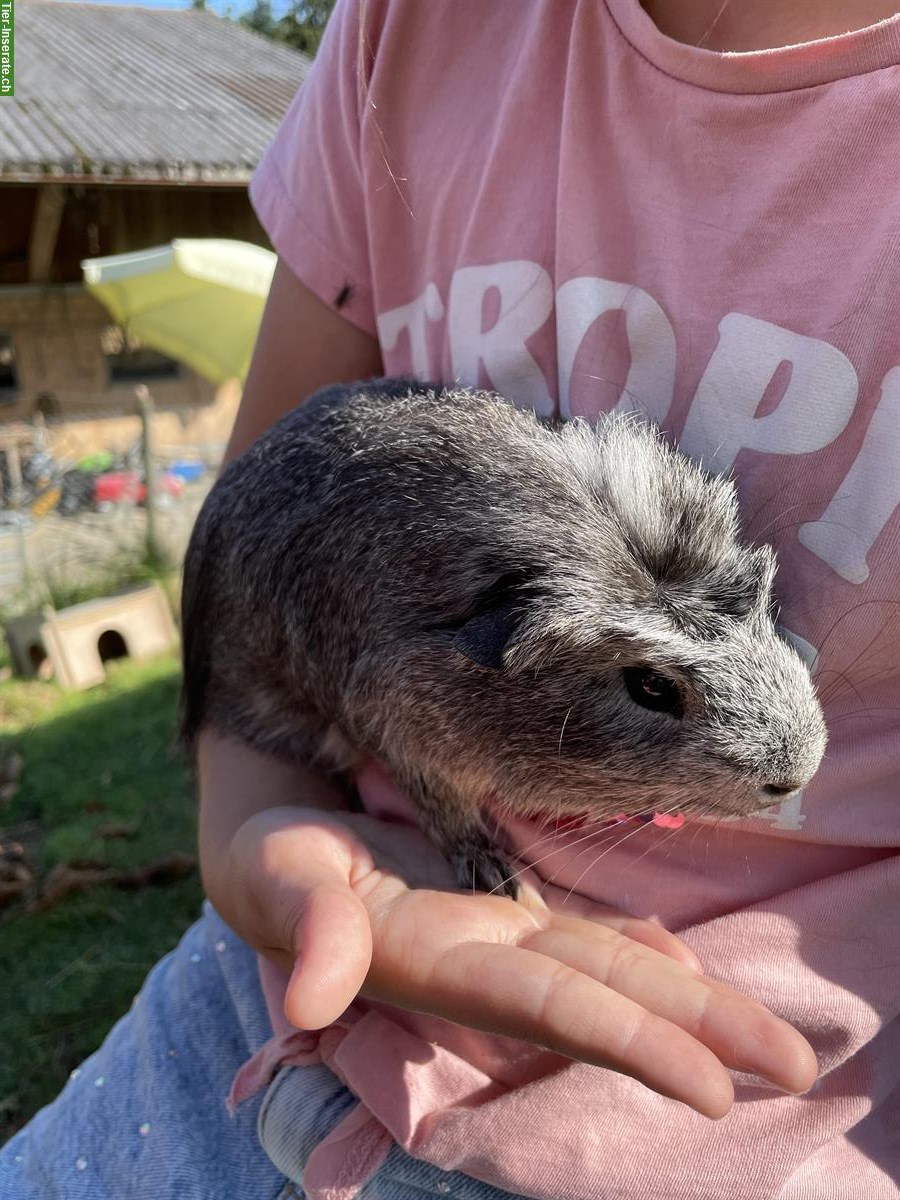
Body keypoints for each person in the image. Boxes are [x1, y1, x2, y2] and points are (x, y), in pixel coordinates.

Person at [3, 1, 898, 1196]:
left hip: (745, 1129)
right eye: (650, 689)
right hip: (275, 975)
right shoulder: (406, 24)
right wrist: (257, 834)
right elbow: (249, 616)